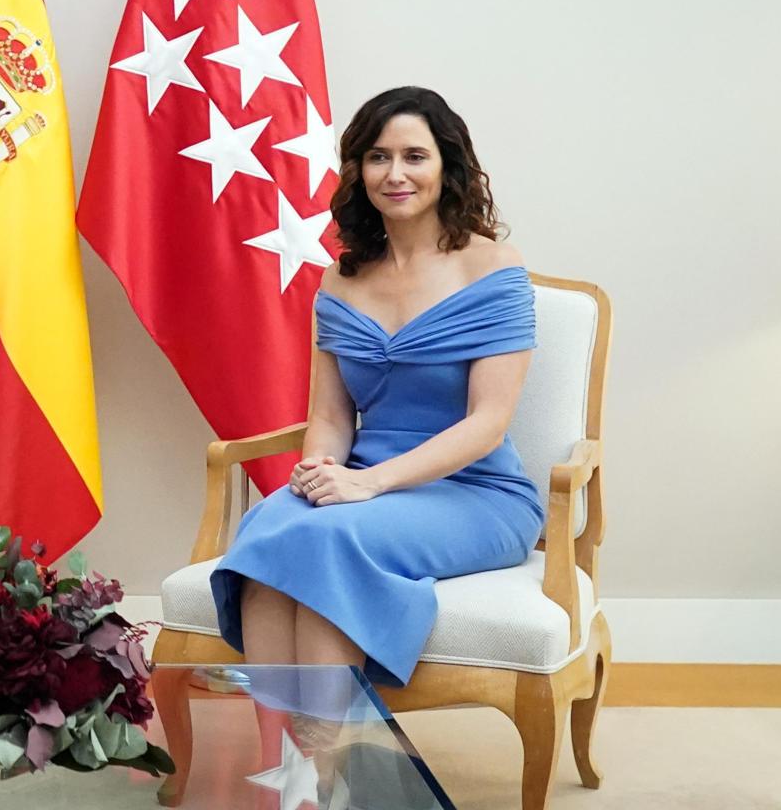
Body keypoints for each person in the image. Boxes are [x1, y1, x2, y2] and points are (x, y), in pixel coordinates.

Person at [210, 86, 544, 739]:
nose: (395, 174)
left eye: (414, 156)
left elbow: (488, 424)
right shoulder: (340, 279)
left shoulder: (494, 268)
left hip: (476, 494)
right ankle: (288, 768)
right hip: (363, 482)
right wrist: (321, 469)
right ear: (358, 172)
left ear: (447, 166)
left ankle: (331, 769)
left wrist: (368, 483)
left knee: (326, 537)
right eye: (377, 156)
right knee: (268, 531)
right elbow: (330, 416)